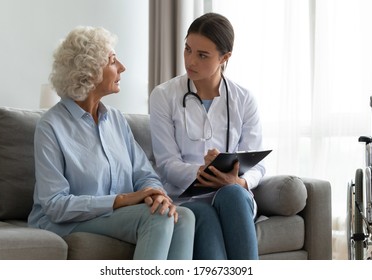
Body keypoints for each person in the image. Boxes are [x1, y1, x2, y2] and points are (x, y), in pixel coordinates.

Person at [28, 26, 195, 260]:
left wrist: (156, 194)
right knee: (159, 216)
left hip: (115, 215)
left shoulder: (116, 119)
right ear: (89, 70)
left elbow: (144, 174)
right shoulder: (51, 126)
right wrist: (122, 200)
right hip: (67, 221)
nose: (122, 68)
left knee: (184, 217)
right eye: (113, 61)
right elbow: (55, 205)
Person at [149, 13, 264, 260]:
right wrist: (204, 171)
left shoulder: (244, 99)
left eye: (202, 55)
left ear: (225, 57)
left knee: (232, 194)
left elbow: (258, 164)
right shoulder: (163, 96)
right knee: (205, 213)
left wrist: (239, 182)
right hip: (186, 198)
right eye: (187, 49)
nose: (190, 61)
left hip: (234, 196)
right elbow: (167, 164)